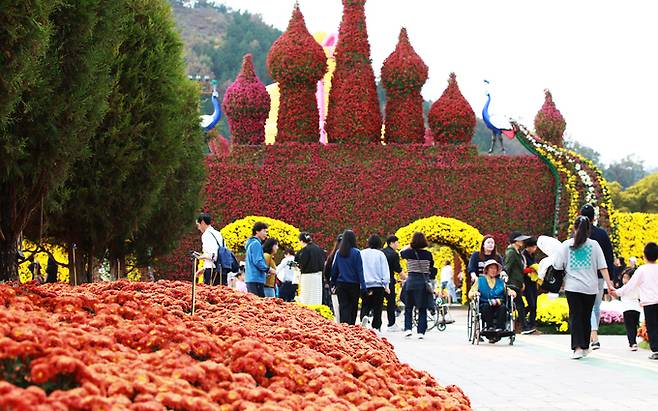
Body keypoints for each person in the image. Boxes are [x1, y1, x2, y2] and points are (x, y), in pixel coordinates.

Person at [553, 216, 614, 359]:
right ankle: (585, 346)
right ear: (589, 230)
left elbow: (557, 265)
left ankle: (578, 348)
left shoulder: (566, 245)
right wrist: (609, 284)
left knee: (576, 316)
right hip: (591, 288)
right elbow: (603, 267)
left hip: (573, 287)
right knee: (586, 316)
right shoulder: (595, 245)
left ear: (574, 228)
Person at [611, 242, 658, 360]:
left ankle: (656, 350)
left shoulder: (642, 270)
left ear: (644, 256)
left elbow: (630, 285)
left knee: (652, 326)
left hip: (649, 303)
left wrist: (617, 292)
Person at [579, 204, 615, 350]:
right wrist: (610, 279)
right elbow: (609, 257)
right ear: (594, 217)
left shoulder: (577, 235)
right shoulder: (602, 234)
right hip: (600, 277)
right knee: (595, 307)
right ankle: (593, 335)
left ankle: (593, 337)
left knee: (587, 307)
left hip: (582, 277)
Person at [468, 259, 517, 343]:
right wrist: (475, 293)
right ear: (486, 269)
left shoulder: (501, 282)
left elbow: (508, 291)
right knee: (486, 306)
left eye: (495, 269)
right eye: (491, 268)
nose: (493, 270)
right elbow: (470, 293)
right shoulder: (480, 280)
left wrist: (512, 292)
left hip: (498, 304)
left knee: (503, 308)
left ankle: (500, 328)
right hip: (485, 304)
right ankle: (489, 328)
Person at [400, 232, 435, 340]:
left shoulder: (409, 253)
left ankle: (408, 329)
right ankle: (420, 332)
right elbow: (431, 267)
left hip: (410, 282)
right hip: (422, 284)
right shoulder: (428, 254)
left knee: (408, 308)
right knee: (422, 308)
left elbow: (400, 253)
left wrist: (411, 245)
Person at [330, 230, 366, 325]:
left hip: (341, 284)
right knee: (353, 307)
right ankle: (351, 327)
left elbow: (335, 270)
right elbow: (360, 271)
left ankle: (344, 327)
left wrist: (332, 283)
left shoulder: (339, 252)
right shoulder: (356, 253)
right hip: (354, 284)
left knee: (343, 306)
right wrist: (363, 286)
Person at [359, 235, 390, 332]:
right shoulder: (380, 254)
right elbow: (385, 270)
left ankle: (363, 319)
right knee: (378, 307)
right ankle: (376, 326)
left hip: (364, 284)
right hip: (377, 285)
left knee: (365, 304)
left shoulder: (361, 253)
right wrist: (386, 285)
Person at [504, 232, 531, 334]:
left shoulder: (517, 252)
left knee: (518, 305)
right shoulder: (511, 252)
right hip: (512, 283)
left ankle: (521, 326)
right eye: (520, 239)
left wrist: (522, 282)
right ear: (515, 241)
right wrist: (506, 283)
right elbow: (507, 267)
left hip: (517, 282)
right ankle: (523, 327)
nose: (522, 241)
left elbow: (519, 270)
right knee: (519, 305)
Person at [244, 222, 276, 297]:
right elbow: (258, 261)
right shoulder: (256, 244)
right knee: (258, 304)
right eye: (264, 231)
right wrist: (268, 269)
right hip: (256, 279)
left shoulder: (251, 243)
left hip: (251, 278)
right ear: (257, 231)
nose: (265, 234)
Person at [296, 232, 327, 306]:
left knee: (307, 299)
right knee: (316, 298)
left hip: (307, 277)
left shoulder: (305, 250)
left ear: (301, 241)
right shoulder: (319, 249)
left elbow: (302, 264)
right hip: (318, 276)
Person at [195, 213, 226, 285]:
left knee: (210, 293)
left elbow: (212, 255)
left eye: (198, 225)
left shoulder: (206, 235)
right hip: (222, 269)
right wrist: (203, 268)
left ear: (202, 222)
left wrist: (200, 256)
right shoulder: (218, 233)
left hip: (212, 271)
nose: (198, 228)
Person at [382, 235, 403, 331]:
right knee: (391, 303)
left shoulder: (381, 252)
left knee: (378, 302)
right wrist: (406, 277)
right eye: (397, 242)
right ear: (391, 243)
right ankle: (391, 324)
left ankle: (376, 325)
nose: (398, 244)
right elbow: (398, 269)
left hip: (380, 280)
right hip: (389, 281)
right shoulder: (394, 254)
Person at [617, 268, 641, 350]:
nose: (624, 280)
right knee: (634, 326)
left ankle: (632, 343)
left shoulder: (625, 287)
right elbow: (640, 296)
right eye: (624, 277)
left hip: (627, 309)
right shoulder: (637, 287)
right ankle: (634, 342)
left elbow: (618, 293)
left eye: (627, 278)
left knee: (629, 327)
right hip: (636, 309)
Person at [522, 237, 539, 334]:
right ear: (528, 247)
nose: (534, 248)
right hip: (526, 282)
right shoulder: (523, 255)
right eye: (533, 246)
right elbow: (522, 269)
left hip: (533, 282)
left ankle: (532, 324)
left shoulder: (533, 255)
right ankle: (523, 320)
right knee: (531, 304)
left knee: (534, 305)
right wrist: (531, 269)